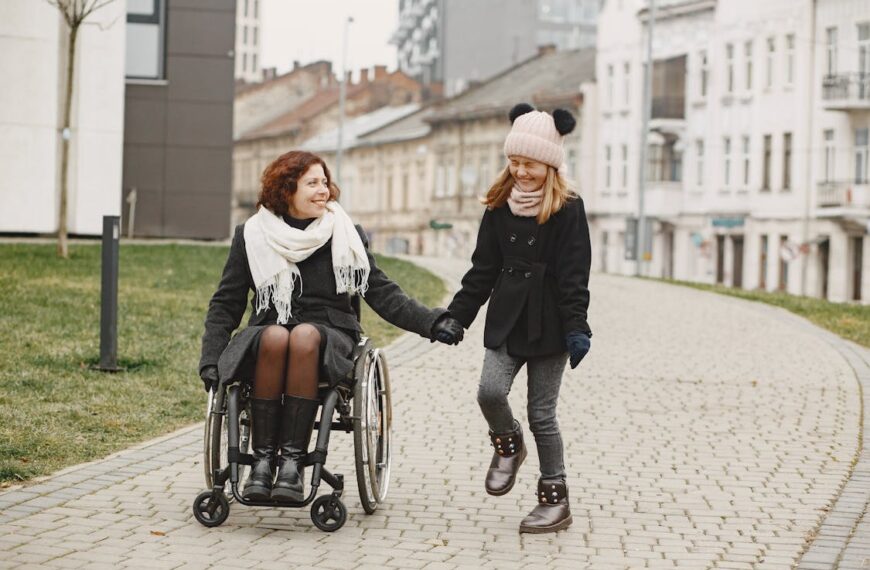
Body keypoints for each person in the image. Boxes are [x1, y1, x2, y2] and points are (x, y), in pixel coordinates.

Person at [199, 150, 464, 503]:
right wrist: (211, 358)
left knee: (305, 335)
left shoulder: (344, 233)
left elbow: (382, 292)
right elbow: (226, 303)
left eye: (325, 182)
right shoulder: (251, 235)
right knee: (279, 334)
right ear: (286, 189)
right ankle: (263, 463)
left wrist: (432, 322)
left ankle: (292, 464)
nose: (324, 190)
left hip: (331, 339)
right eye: (312, 183)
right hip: (269, 336)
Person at [447, 103, 592, 534]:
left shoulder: (568, 208)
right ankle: (508, 444)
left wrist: (577, 327)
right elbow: (481, 271)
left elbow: (574, 274)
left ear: (549, 163)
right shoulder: (497, 205)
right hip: (507, 319)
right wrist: (457, 317)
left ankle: (554, 499)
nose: (521, 171)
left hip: (550, 324)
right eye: (514, 161)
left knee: (542, 415)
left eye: (529, 163)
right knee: (489, 391)